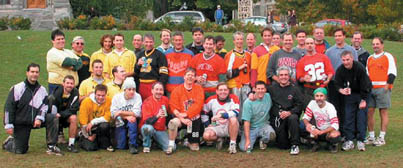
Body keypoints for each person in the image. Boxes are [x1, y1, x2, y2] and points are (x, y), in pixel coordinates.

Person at [2, 63, 51, 154]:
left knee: (52, 117)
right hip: (21, 122)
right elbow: (9, 107)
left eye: (36, 72)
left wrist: (39, 118)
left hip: (35, 121)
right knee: (20, 150)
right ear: (27, 73)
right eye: (32, 71)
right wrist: (8, 124)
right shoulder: (17, 88)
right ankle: (9, 142)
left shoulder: (42, 90)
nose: (34, 74)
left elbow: (45, 106)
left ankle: (52, 146)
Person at [334, 51, 371, 151]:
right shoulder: (340, 69)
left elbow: (366, 84)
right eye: (344, 60)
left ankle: (361, 140)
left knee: (361, 116)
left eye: (348, 60)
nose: (346, 62)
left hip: (362, 93)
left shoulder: (359, 68)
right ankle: (349, 140)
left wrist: (363, 99)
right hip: (350, 94)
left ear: (352, 59)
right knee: (348, 115)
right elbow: (337, 83)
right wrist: (342, 90)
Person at [325, 28, 358, 136]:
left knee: (347, 108)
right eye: (336, 36)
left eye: (339, 35)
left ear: (344, 36)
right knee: (335, 108)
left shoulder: (351, 50)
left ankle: (348, 132)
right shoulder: (329, 51)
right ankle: (337, 131)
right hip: (334, 83)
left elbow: (356, 67)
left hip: (348, 83)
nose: (337, 38)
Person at [366, 37, 397, 147]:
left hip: (382, 88)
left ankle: (382, 137)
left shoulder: (388, 56)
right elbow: (367, 74)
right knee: (369, 112)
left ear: (382, 45)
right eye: (373, 44)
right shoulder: (369, 58)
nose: (375, 46)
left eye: (377, 44)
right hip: (371, 89)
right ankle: (371, 136)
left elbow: (392, 72)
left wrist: (387, 86)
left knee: (383, 112)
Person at [167, 68, 205, 154]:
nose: (190, 77)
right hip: (181, 118)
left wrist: (187, 114)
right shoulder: (177, 90)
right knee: (173, 123)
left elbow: (198, 105)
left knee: (195, 147)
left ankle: (188, 141)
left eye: (192, 75)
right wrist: (182, 118)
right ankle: (171, 145)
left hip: (194, 120)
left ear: (195, 78)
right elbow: (173, 107)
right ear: (184, 77)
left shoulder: (199, 89)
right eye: (188, 75)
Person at [268, 66, 303, 155]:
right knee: (282, 145)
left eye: (286, 75)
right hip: (278, 118)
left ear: (289, 76)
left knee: (293, 118)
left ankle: (295, 144)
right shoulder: (272, 88)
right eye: (281, 75)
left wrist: (289, 112)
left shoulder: (295, 89)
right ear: (278, 76)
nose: (283, 77)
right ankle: (285, 140)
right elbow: (260, 90)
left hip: (290, 116)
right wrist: (251, 94)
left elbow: (300, 105)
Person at [202, 83, 240, 154]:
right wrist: (207, 124)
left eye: (225, 90)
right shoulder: (211, 99)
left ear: (228, 91)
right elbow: (203, 112)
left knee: (233, 119)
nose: (223, 92)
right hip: (217, 125)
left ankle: (232, 144)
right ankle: (219, 139)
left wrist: (221, 115)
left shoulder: (234, 98)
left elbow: (236, 112)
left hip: (229, 126)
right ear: (216, 91)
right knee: (206, 136)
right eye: (220, 90)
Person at [239, 81, 275, 152]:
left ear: (265, 89)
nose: (260, 91)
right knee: (244, 148)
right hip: (251, 128)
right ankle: (248, 139)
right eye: (258, 89)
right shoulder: (248, 103)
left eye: (262, 89)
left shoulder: (268, 97)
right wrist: (248, 140)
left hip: (264, 125)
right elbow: (246, 122)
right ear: (254, 89)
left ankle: (262, 141)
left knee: (271, 135)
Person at [296, 38, 334, 106]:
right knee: (310, 112)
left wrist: (328, 79)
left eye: (311, 43)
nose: (309, 45)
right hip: (309, 89)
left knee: (324, 111)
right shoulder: (301, 61)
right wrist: (304, 79)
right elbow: (299, 77)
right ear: (304, 46)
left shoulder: (323, 57)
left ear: (314, 45)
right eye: (307, 44)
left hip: (322, 87)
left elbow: (330, 72)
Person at [301, 88, 341, 153]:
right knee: (301, 126)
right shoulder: (312, 103)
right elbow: (306, 117)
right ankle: (315, 143)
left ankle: (332, 145)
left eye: (321, 96)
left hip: (328, 130)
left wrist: (321, 132)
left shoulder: (330, 107)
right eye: (317, 96)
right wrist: (308, 125)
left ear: (325, 97)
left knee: (335, 135)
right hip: (317, 128)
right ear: (314, 97)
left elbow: (335, 125)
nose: (319, 98)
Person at [48, 75, 80, 153]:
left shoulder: (75, 92)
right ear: (63, 84)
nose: (69, 85)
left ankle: (71, 145)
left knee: (74, 118)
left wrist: (61, 115)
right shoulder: (57, 92)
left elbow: (74, 108)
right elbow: (53, 106)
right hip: (56, 115)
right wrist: (56, 115)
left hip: (65, 116)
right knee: (53, 117)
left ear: (74, 84)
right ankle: (52, 144)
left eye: (71, 83)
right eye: (67, 83)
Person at [110, 77, 142, 154]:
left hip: (133, 119)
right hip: (120, 119)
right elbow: (113, 113)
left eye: (134, 89)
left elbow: (137, 113)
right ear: (124, 89)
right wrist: (126, 116)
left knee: (132, 120)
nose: (132, 92)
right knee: (121, 147)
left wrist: (120, 112)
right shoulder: (117, 97)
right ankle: (121, 141)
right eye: (129, 89)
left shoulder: (137, 96)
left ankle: (133, 144)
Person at [79, 84, 113, 152]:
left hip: (100, 128)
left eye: (103, 95)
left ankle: (100, 139)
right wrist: (88, 136)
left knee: (105, 125)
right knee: (91, 148)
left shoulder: (109, 101)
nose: (100, 97)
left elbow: (107, 118)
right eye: (98, 95)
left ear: (106, 94)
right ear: (94, 94)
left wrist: (93, 122)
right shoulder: (86, 102)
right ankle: (82, 137)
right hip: (88, 129)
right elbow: (83, 122)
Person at [224, 31, 251, 117]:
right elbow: (228, 74)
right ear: (234, 41)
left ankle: (244, 126)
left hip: (246, 85)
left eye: (241, 39)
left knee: (246, 107)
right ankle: (236, 127)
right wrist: (239, 68)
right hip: (235, 85)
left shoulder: (248, 54)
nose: (239, 41)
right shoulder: (230, 55)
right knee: (235, 107)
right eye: (237, 39)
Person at [47, 29, 82, 94]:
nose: (61, 41)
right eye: (58, 39)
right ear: (53, 41)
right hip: (57, 86)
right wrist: (74, 63)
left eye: (62, 39)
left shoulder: (68, 51)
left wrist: (73, 66)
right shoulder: (52, 52)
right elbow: (66, 62)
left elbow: (80, 62)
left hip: (72, 87)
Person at [135, 34, 169, 100]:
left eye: (150, 42)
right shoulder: (140, 55)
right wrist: (138, 65)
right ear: (143, 42)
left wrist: (159, 87)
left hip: (153, 85)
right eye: (146, 42)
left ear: (154, 42)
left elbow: (164, 74)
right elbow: (135, 72)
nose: (148, 44)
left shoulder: (160, 55)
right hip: (141, 85)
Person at [139, 82, 170, 154]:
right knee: (147, 128)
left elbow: (169, 114)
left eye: (161, 90)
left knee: (171, 147)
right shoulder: (147, 102)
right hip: (149, 127)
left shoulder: (165, 100)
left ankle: (156, 142)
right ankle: (146, 145)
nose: (159, 92)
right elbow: (147, 121)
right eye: (157, 89)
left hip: (160, 129)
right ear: (152, 91)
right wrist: (157, 116)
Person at [164, 31, 194, 96]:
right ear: (172, 41)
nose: (178, 42)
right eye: (176, 40)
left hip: (184, 89)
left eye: (180, 40)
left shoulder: (190, 54)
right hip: (170, 89)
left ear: (183, 41)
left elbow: (192, 72)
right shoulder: (167, 54)